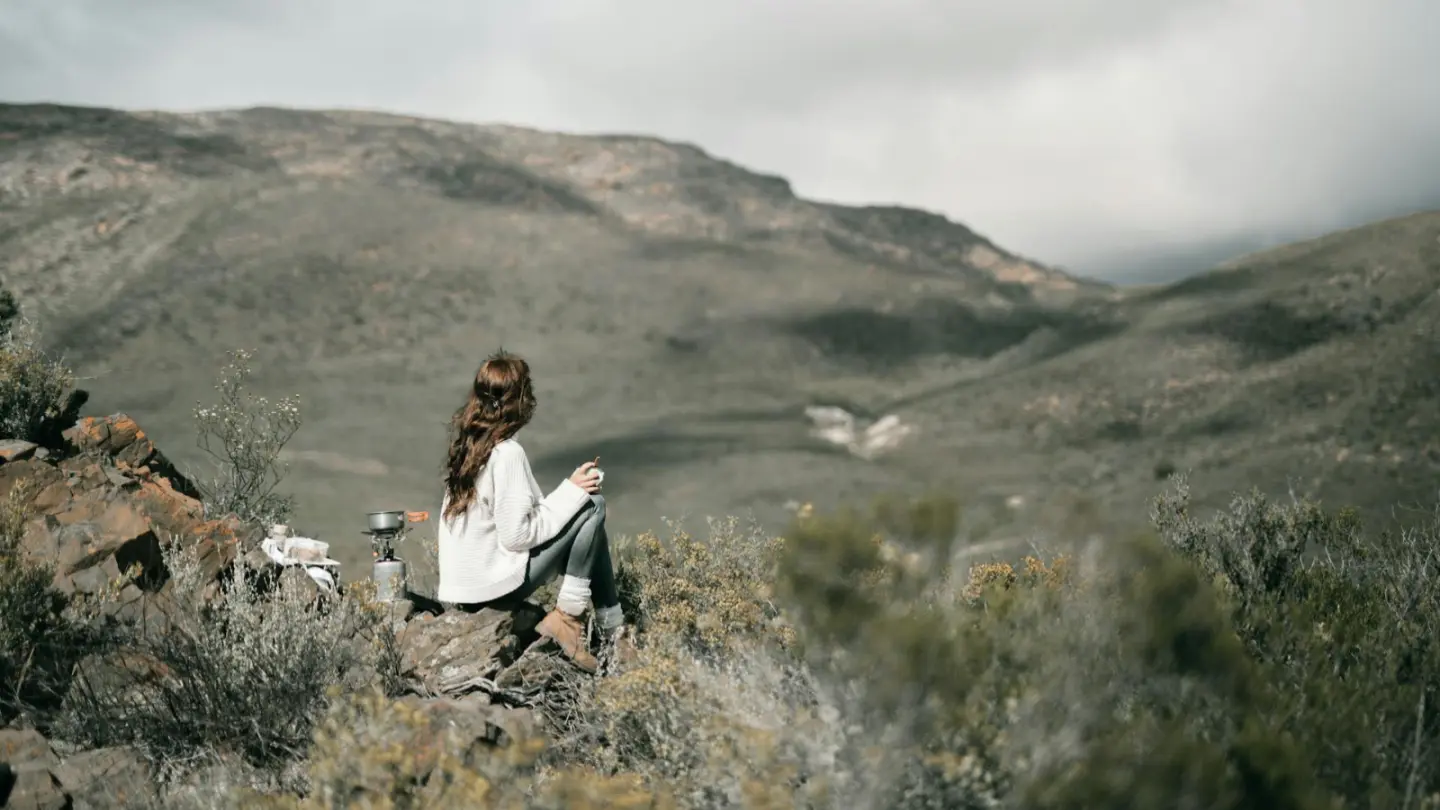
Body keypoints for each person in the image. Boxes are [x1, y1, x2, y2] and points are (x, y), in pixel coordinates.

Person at [437, 350, 634, 673]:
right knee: (593, 506)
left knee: (585, 511)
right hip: (494, 587)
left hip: (465, 591)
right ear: (521, 401)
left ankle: (613, 630)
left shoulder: (470, 448)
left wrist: (570, 491)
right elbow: (517, 536)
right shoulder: (506, 454)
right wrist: (573, 492)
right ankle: (573, 621)